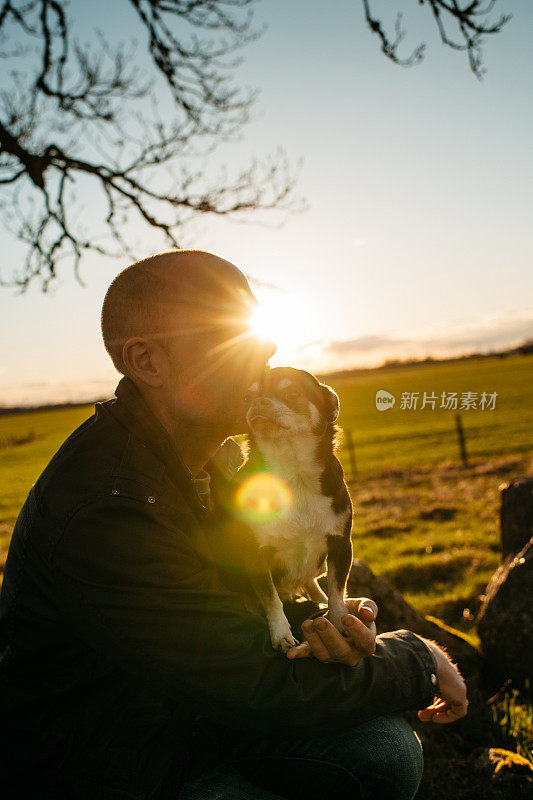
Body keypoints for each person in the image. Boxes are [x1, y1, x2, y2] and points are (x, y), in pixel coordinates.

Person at [0, 250, 467, 800]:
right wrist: (417, 658)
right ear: (148, 363)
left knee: (383, 751)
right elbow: (253, 681)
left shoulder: (219, 459)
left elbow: (229, 595)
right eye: (231, 338)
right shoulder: (106, 508)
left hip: (184, 712)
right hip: (102, 764)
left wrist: (318, 624)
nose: (266, 350)